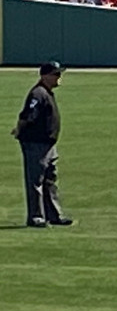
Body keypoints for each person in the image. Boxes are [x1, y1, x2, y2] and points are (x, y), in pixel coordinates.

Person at [10, 62, 72, 228]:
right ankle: (36, 217)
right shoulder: (38, 94)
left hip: (48, 144)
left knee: (50, 181)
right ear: (45, 76)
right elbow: (27, 115)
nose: (59, 77)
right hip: (36, 144)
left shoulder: (46, 92)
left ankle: (54, 215)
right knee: (36, 181)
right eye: (55, 74)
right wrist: (19, 129)